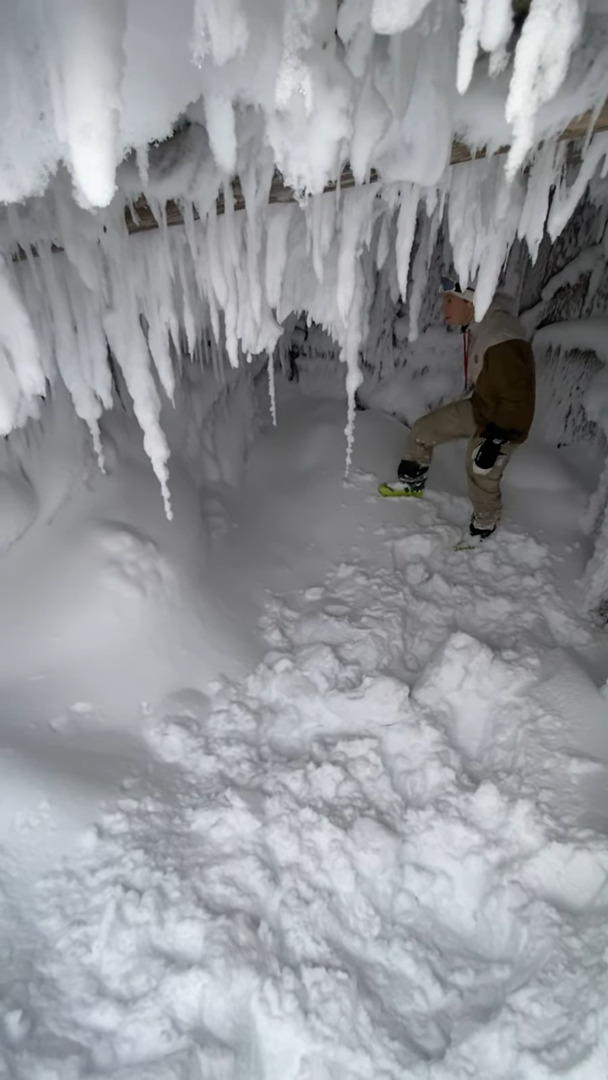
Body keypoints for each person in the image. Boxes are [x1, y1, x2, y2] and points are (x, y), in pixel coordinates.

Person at [378, 279, 535, 540]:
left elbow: (519, 398)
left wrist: (495, 440)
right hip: (481, 407)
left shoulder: (502, 337)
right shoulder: (485, 325)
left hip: (504, 424)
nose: (444, 307)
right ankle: (412, 484)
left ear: (470, 301)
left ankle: (485, 525)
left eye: (450, 300)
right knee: (423, 430)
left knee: (480, 468)